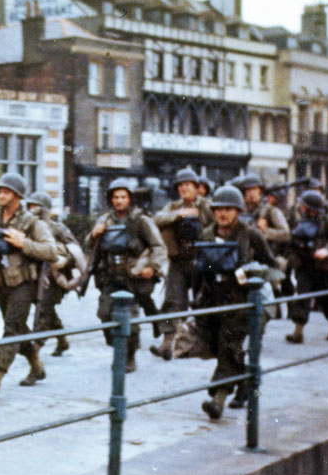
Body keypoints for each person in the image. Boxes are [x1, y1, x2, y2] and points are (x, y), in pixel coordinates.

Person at [194, 185, 275, 419]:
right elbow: (200, 271)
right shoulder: (207, 235)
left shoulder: (250, 235)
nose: (223, 214)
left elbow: (271, 266)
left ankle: (218, 398)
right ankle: (244, 385)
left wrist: (250, 275)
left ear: (237, 211)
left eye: (228, 209)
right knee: (225, 346)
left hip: (242, 302)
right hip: (214, 300)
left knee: (230, 346)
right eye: (218, 209)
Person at [0, 173, 59, 397]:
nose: (1, 195)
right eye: (0, 191)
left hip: (24, 283)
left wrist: (24, 243)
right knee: (18, 328)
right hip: (0, 281)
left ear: (18, 196)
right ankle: (36, 366)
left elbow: (51, 251)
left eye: (7, 191)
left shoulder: (32, 222)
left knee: (11, 328)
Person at [85, 178, 166, 372]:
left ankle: (128, 357)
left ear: (129, 199)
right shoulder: (104, 220)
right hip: (110, 276)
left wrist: (152, 268)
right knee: (105, 315)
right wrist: (95, 234)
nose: (119, 201)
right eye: (115, 197)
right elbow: (88, 244)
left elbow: (159, 247)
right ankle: (119, 349)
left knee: (131, 320)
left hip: (133, 277)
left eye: (123, 197)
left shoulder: (141, 221)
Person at [151, 168, 212, 359]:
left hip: (202, 260)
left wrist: (198, 218)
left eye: (188, 185)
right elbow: (157, 219)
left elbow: (216, 224)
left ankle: (199, 343)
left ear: (196, 188)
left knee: (202, 302)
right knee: (173, 301)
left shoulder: (206, 205)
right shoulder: (173, 206)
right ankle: (167, 344)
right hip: (178, 260)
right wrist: (179, 215)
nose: (184, 188)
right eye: (181, 185)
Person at [25, 191, 84, 357]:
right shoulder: (27, 227)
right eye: (30, 207)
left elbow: (76, 251)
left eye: (36, 207)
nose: (33, 210)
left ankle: (34, 352)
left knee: (42, 312)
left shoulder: (57, 228)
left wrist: (65, 261)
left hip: (54, 277)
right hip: (35, 276)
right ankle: (62, 340)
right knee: (46, 309)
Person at [284, 190, 328, 343]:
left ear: (311, 208)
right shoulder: (300, 221)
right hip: (306, 265)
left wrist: (327, 250)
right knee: (302, 296)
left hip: (325, 267)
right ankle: (298, 332)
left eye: (303, 205)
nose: (300, 207)